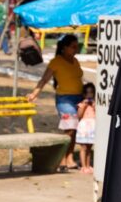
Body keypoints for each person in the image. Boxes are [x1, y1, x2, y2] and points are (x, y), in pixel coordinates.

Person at [26, 34, 84, 172]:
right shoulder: (56, 62)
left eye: (78, 47)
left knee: (74, 130)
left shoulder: (75, 61)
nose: (76, 49)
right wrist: (34, 93)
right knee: (69, 128)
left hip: (79, 98)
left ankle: (69, 157)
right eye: (73, 47)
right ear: (64, 48)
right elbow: (44, 79)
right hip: (65, 99)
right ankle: (62, 158)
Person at [75, 83, 96, 173]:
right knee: (83, 147)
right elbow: (79, 116)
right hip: (84, 128)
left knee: (89, 147)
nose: (89, 95)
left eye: (91, 93)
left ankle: (88, 165)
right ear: (84, 94)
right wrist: (83, 106)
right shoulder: (81, 104)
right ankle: (83, 166)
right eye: (87, 93)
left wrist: (95, 107)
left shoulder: (95, 104)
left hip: (92, 127)